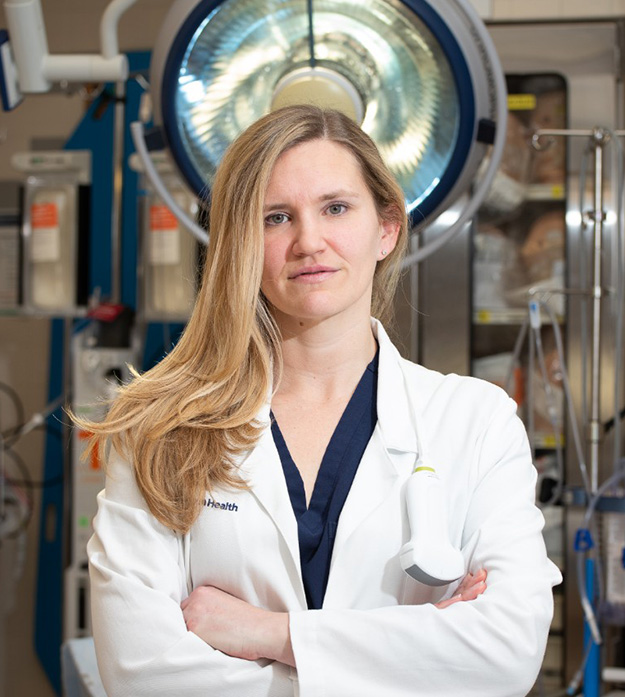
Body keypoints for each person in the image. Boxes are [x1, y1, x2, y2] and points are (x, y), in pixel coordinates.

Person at [83, 105, 561, 697]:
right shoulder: (161, 428)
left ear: (386, 228)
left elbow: (504, 656)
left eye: (336, 208)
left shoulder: (476, 422)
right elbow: (141, 673)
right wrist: (412, 654)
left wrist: (272, 635)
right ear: (240, 243)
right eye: (276, 217)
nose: (309, 242)